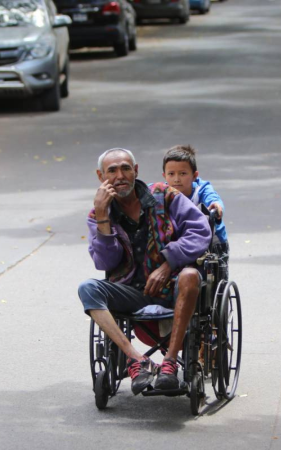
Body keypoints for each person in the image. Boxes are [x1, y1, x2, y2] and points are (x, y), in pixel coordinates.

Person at [78, 148, 212, 395]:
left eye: (126, 168)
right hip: (130, 290)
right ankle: (137, 360)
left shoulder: (164, 195)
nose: (120, 175)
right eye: (112, 170)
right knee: (87, 288)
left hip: (173, 285)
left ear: (136, 171)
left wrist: (168, 263)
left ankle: (170, 362)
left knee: (191, 275)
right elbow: (105, 262)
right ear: (101, 176)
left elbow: (201, 231)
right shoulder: (99, 214)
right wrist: (102, 218)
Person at [162, 145, 229, 262]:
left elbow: (212, 198)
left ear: (194, 176)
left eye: (182, 174)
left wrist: (216, 205)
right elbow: (145, 192)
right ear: (164, 176)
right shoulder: (162, 191)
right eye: (171, 174)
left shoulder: (201, 189)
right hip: (180, 238)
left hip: (212, 239)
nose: (176, 179)